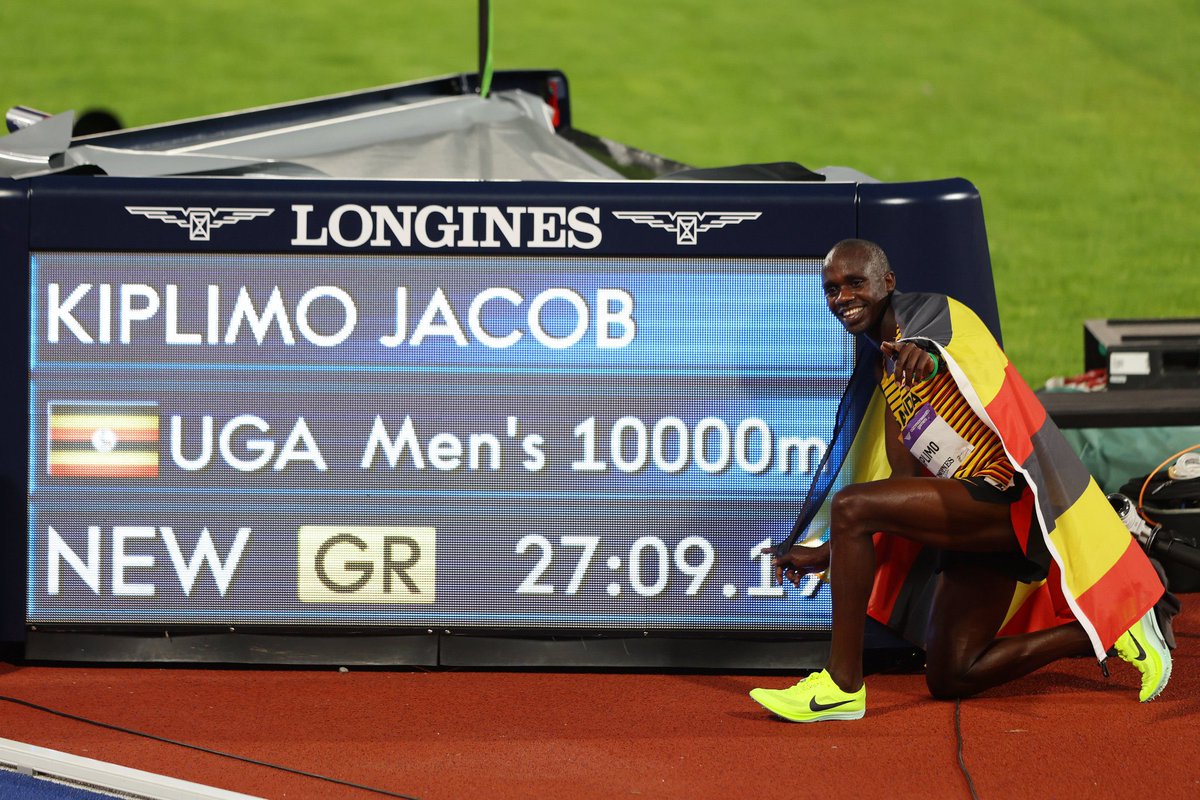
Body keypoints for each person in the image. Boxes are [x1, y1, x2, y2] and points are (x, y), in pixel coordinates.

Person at [749, 238, 1172, 723]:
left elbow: (944, 348)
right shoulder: (887, 372)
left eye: (854, 282)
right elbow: (900, 482)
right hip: (978, 522)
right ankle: (1105, 627)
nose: (841, 296)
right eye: (831, 289)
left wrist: (924, 356)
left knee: (849, 504)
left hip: (1013, 500)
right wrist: (827, 552)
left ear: (887, 283)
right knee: (951, 673)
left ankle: (842, 685)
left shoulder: (934, 316)